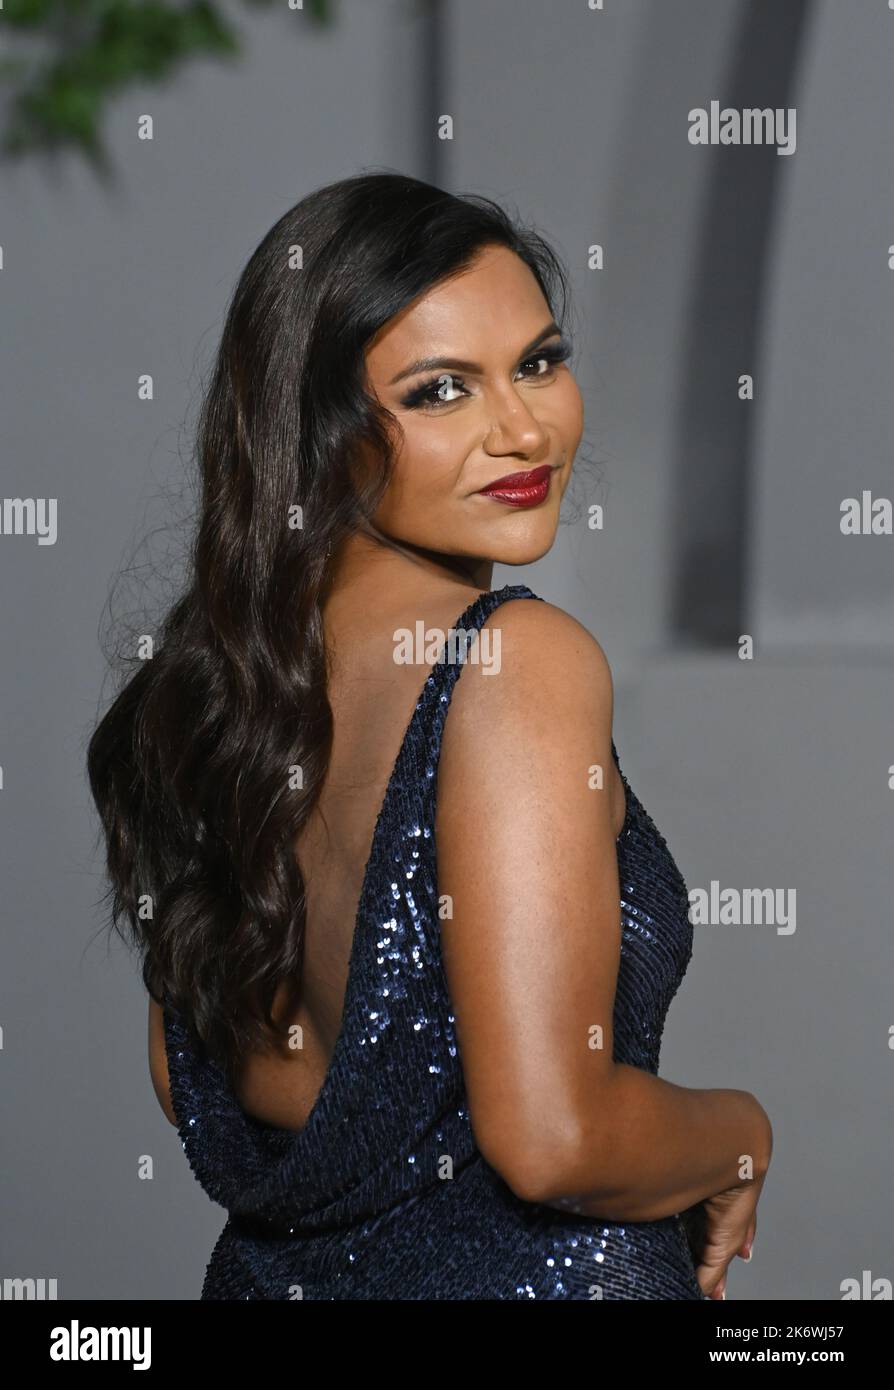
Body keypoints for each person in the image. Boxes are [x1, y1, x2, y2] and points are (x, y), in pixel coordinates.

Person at [87, 170, 772, 1300]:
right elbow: (554, 1136)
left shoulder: (216, 692)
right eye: (442, 389)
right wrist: (742, 1132)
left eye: (540, 362)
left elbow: (199, 1083)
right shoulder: (516, 663)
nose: (522, 425)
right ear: (322, 433)